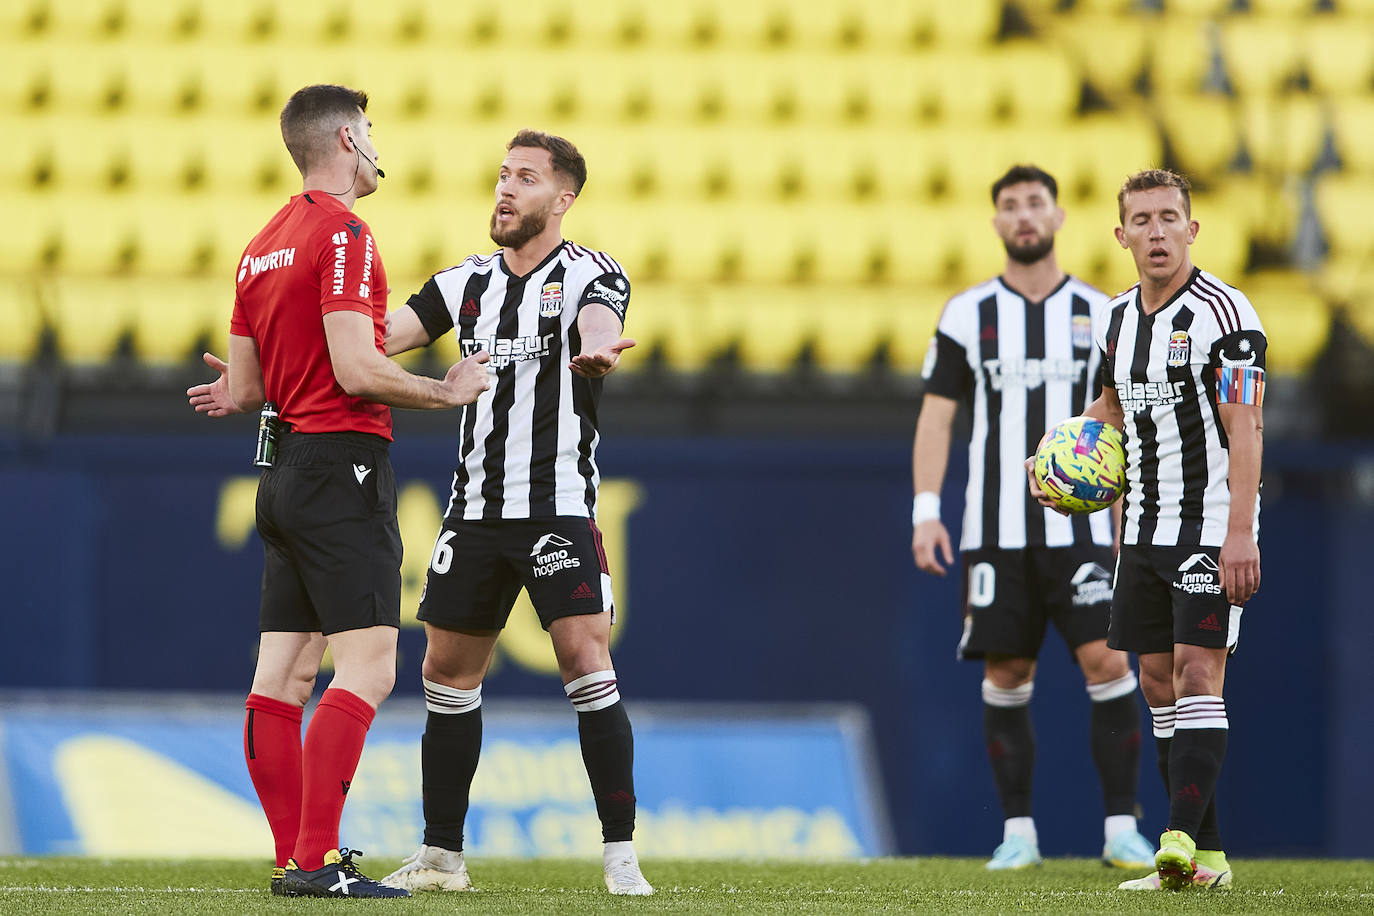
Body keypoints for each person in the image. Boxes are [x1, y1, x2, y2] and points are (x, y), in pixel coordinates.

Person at [185, 83, 491, 898]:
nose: (377, 147)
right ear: (349, 139)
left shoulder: (261, 244)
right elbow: (357, 369)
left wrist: (236, 393)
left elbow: (247, 388)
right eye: (372, 132)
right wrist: (446, 391)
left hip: (283, 471)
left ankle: (296, 860)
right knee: (370, 667)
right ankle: (319, 860)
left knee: (280, 678)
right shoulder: (346, 234)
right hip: (340, 467)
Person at [375, 129, 652, 897]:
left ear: (562, 200)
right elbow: (376, 341)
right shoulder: (463, 283)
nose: (505, 190)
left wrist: (599, 350)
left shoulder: (592, 272)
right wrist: (281, 361)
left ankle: (620, 855)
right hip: (473, 512)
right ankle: (441, 857)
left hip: (557, 506)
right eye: (502, 175)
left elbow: (600, 321)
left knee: (585, 660)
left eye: (525, 179)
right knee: (445, 672)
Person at [912, 165, 1155, 871]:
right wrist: (927, 509)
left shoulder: (1102, 311)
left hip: (1081, 530)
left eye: (1035, 204)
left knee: (1108, 660)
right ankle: (1018, 833)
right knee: (1007, 670)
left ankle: (1121, 832)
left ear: (1058, 217)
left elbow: (1127, 415)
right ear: (996, 224)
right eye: (1011, 206)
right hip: (996, 530)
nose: (1023, 216)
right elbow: (936, 415)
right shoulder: (966, 313)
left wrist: (1125, 513)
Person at [1030, 169, 1264, 892]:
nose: (1157, 232)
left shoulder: (1228, 314)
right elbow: (1108, 404)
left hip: (1209, 523)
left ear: (1192, 230)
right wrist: (1058, 459)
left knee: (1199, 674)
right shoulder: (1116, 318)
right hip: (1142, 530)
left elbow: (1246, 425)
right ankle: (1208, 860)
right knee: (1158, 683)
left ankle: (1177, 838)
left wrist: (1241, 534)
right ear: (1121, 234)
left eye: (1170, 219)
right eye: (1144, 220)